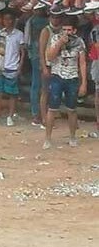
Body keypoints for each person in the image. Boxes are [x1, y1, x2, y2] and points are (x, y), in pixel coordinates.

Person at [44, 16, 86, 149]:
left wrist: (83, 82)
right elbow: (49, 57)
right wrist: (59, 44)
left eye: (69, 30)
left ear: (74, 30)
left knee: (72, 109)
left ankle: (73, 137)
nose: (66, 32)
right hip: (57, 75)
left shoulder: (79, 42)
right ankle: (48, 138)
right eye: (64, 29)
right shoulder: (56, 38)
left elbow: (82, 63)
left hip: (72, 77)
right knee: (52, 108)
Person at [0, 11, 25, 127]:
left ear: (14, 21)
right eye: (5, 19)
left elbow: (22, 51)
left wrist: (20, 66)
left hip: (13, 67)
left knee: (12, 93)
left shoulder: (19, 34)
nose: (8, 22)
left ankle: (10, 116)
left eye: (10, 19)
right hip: (0, 66)